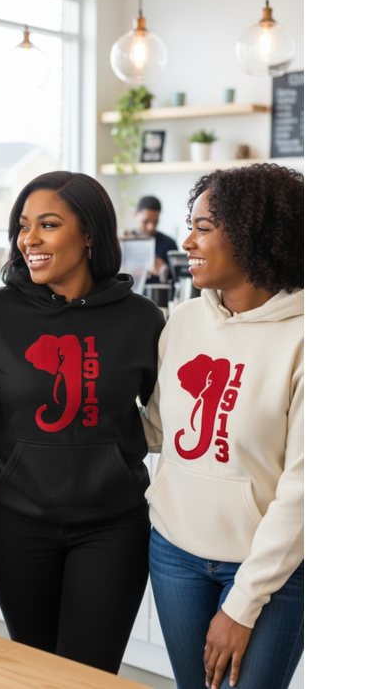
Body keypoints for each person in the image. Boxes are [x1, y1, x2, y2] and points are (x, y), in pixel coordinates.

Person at [0, 171, 165, 674]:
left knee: (88, 677)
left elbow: (163, 414)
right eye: (23, 225)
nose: (28, 239)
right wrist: (33, 435)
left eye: (48, 225)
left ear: (90, 233)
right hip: (18, 526)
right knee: (37, 672)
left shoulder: (142, 319)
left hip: (113, 528)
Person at [142, 163, 304, 689]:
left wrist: (243, 605)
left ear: (254, 235)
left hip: (270, 571)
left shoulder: (299, 339)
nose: (187, 241)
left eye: (204, 228)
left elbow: (300, 492)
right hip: (174, 554)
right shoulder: (184, 320)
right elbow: (157, 430)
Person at [132, 195, 178, 283]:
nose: (151, 227)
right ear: (135, 215)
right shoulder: (123, 243)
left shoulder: (169, 243)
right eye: (146, 221)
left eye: (155, 221)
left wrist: (165, 271)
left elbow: (178, 278)